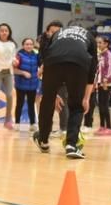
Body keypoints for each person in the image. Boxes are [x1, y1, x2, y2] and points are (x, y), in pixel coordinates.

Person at [31, 23, 97, 159]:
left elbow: (46, 53)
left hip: (53, 62)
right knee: (76, 105)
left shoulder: (58, 33)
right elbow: (92, 70)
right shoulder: (90, 36)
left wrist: (51, 93)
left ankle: (43, 141)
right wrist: (85, 98)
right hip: (79, 63)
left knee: (47, 102)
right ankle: (71, 145)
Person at [0, 23, 18, 131]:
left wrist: (14, 61)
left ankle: (7, 120)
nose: (4, 32)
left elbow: (13, 57)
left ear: (9, 32)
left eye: (6, 30)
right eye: (2, 30)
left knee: (10, 95)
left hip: (9, 72)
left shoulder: (12, 44)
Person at [14, 37, 39, 128]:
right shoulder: (19, 55)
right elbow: (13, 70)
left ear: (33, 46)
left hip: (33, 85)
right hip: (21, 84)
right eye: (27, 44)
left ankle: (32, 124)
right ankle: (17, 123)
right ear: (23, 45)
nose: (29, 46)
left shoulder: (37, 55)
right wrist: (23, 73)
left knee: (31, 105)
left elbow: (42, 65)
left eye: (30, 44)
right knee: (19, 104)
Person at [94, 36, 111, 135]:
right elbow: (98, 70)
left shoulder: (108, 54)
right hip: (100, 82)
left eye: (100, 43)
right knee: (100, 105)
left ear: (106, 44)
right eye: (98, 43)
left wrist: (105, 80)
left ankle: (109, 127)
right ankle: (102, 126)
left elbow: (109, 68)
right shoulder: (100, 55)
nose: (98, 45)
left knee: (105, 105)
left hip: (106, 83)